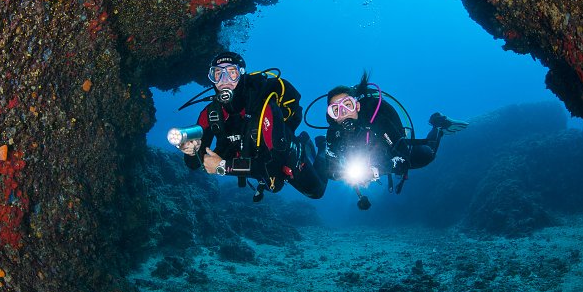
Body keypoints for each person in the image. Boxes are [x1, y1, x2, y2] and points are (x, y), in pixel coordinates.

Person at [178, 52, 326, 201]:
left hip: (279, 155)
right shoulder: (210, 113)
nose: (224, 80)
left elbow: (273, 169)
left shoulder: (264, 105)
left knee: (316, 192)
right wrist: (192, 151)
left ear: (241, 74)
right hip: (250, 158)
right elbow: (193, 164)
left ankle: (320, 149)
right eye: (217, 74)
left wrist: (223, 166)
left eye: (232, 73)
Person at [316, 71, 468, 191]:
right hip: (372, 160)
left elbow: (403, 159)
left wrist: (374, 172)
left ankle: (439, 125)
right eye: (335, 109)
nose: (343, 112)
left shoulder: (377, 120)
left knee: (426, 156)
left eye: (347, 105)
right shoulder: (333, 134)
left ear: (357, 106)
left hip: (391, 151)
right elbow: (331, 171)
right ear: (332, 116)